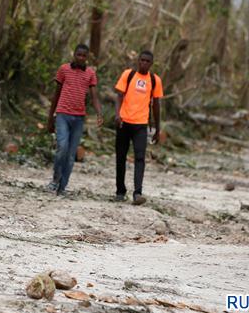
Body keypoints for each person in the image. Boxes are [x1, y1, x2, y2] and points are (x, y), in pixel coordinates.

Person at [46, 44, 103, 196]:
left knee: (71, 155)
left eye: (84, 56)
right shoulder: (64, 69)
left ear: (87, 58)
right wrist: (50, 118)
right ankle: (55, 179)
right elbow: (56, 94)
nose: (81, 58)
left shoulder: (90, 74)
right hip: (63, 114)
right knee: (62, 147)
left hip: (79, 118)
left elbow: (94, 96)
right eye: (79, 55)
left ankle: (62, 187)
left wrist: (99, 114)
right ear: (74, 55)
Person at [113, 50, 163, 205]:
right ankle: (120, 191)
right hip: (124, 123)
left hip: (141, 125)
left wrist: (157, 127)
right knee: (120, 157)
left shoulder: (155, 80)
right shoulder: (128, 75)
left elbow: (156, 105)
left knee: (140, 158)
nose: (144, 63)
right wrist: (117, 115)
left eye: (147, 61)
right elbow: (119, 96)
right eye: (142, 60)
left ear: (151, 64)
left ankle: (137, 193)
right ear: (138, 61)